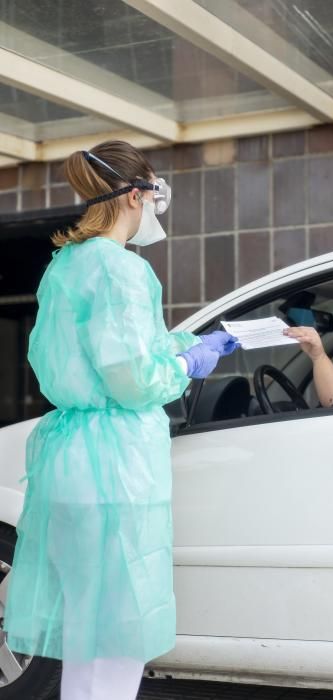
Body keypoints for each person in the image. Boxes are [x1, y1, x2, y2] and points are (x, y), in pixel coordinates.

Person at [3, 141, 238, 700]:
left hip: (71, 460)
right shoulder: (120, 269)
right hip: (115, 465)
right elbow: (133, 378)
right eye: (154, 192)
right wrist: (185, 363)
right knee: (118, 632)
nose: (158, 205)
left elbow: (97, 353)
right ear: (136, 194)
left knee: (88, 625)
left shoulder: (67, 265)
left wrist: (184, 343)